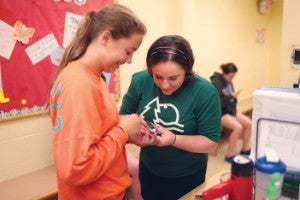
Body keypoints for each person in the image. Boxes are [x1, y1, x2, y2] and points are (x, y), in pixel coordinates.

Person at [49, 4, 148, 200]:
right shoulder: (80, 84)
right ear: (106, 38)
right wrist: (123, 132)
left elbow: (93, 130)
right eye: (128, 51)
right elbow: (78, 168)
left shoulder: (92, 77)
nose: (129, 60)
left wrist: (127, 130)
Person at [120, 35, 221, 200]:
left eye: (173, 78)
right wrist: (133, 136)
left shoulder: (205, 92)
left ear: (187, 71)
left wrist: (174, 139)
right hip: (149, 168)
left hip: (187, 175)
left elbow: (210, 144)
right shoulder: (140, 80)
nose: (165, 85)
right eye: (157, 77)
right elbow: (122, 118)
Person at [210, 62, 252, 163]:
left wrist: (233, 98)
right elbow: (218, 103)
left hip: (230, 109)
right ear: (224, 73)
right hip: (220, 112)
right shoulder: (216, 82)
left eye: (233, 76)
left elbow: (231, 99)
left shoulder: (229, 81)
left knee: (249, 123)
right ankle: (229, 155)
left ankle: (244, 149)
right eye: (230, 76)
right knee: (238, 127)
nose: (232, 79)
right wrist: (231, 97)